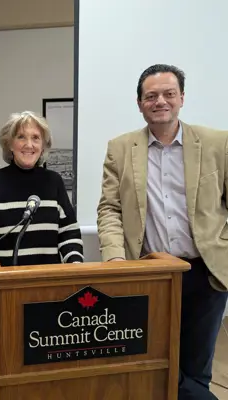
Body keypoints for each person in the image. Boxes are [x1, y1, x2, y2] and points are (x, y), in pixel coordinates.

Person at [97, 64, 228, 399]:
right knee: (148, 361)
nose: (160, 101)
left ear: (181, 98)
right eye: (151, 96)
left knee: (196, 366)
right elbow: (110, 207)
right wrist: (114, 259)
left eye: (169, 93)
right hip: (149, 274)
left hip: (206, 272)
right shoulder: (120, 148)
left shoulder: (218, 143)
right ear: (139, 103)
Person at [0, 111, 84, 282]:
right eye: (21, 137)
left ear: (43, 146)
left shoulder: (53, 182)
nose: (29, 144)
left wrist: (75, 264)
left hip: (48, 288)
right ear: (10, 144)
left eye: (35, 138)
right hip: (3, 289)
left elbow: (68, 233)